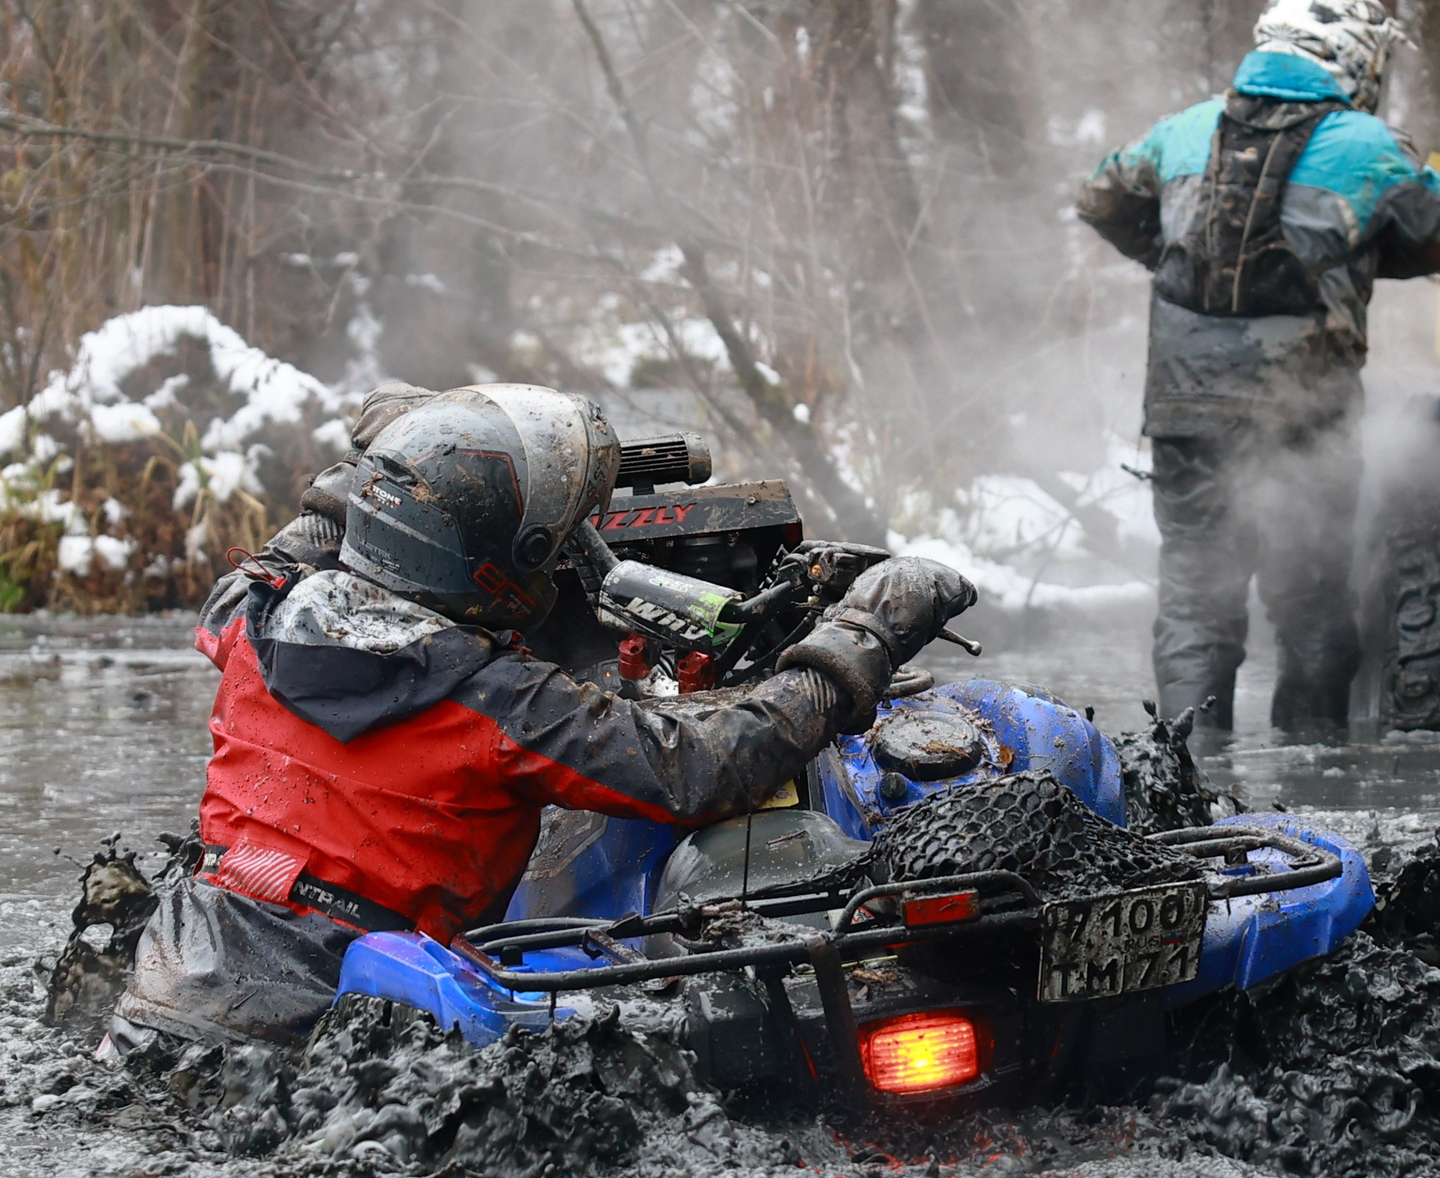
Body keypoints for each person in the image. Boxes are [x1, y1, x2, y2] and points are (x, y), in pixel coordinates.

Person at [111, 382, 973, 1053]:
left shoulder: (251, 621)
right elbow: (702, 764)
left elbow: (286, 546)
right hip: (329, 1016)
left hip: (175, 974)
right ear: (497, 575)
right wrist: (862, 633)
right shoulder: (491, 698)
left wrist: (399, 462)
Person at [1076, 0, 1440, 739]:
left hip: (1186, 405)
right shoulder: (1370, 147)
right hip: (1306, 411)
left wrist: (1174, 253)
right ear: (1355, 58)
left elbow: (1100, 199)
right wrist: (1347, 255)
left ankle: (1183, 788)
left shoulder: (1183, 131)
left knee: (1196, 597)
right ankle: (1314, 796)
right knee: (1313, 600)